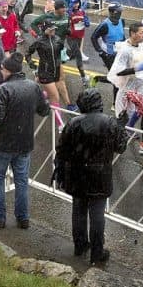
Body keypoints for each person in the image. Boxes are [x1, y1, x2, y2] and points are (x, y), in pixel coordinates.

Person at [55, 88, 127, 264]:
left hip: (77, 174)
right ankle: (97, 252)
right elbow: (121, 147)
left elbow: (62, 149)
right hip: (99, 176)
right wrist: (121, 126)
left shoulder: (73, 123)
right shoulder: (109, 123)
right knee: (97, 215)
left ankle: (80, 245)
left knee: (78, 210)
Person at [0, 52, 51, 229]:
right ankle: (23, 218)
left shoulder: (4, 89)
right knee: (21, 180)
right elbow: (45, 110)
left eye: (2, 68)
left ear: (9, 70)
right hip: (24, 142)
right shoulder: (33, 87)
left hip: (4, 143)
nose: (1, 71)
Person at [108, 23, 143, 155]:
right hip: (127, 88)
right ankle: (111, 144)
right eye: (141, 33)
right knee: (122, 118)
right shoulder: (125, 51)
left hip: (140, 86)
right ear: (133, 33)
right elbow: (118, 71)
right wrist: (136, 68)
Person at [26, 20, 71, 125]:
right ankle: (60, 125)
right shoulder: (39, 41)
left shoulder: (57, 39)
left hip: (56, 71)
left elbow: (61, 54)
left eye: (54, 29)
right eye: (50, 29)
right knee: (55, 97)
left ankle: (36, 98)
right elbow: (28, 53)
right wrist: (30, 63)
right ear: (45, 29)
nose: (53, 31)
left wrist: (64, 50)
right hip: (45, 72)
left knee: (50, 94)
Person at [66, 0, 91, 85]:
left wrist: (86, 21)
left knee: (71, 55)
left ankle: (63, 54)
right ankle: (84, 77)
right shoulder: (69, 13)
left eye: (77, 3)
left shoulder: (82, 12)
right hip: (71, 38)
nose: (75, 5)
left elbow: (87, 24)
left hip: (79, 37)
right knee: (78, 56)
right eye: (73, 3)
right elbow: (66, 25)